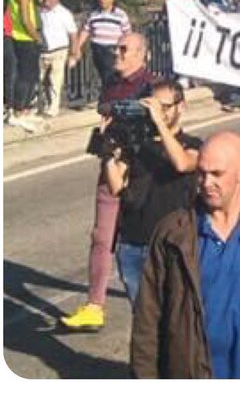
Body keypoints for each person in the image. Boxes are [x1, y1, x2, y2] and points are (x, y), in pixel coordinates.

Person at [131, 131, 240, 378]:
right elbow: (148, 319)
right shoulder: (173, 234)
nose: (206, 182)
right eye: (201, 172)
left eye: (217, 174)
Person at [61, 32, 155, 330]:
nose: (118, 53)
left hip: (141, 172)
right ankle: (94, 306)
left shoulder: (151, 86)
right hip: (110, 164)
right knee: (102, 237)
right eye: (117, 47)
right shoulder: (112, 82)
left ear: (142, 54)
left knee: (143, 242)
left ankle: (154, 308)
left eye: (125, 49)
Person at [103, 78, 201, 303]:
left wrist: (158, 122)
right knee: (143, 322)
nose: (160, 112)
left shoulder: (192, 144)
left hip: (172, 245)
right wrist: (107, 153)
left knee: (175, 319)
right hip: (133, 244)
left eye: (165, 107)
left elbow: (182, 164)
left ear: (181, 106)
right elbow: (117, 186)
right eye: (154, 106)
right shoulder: (138, 144)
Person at [6, 0, 43, 130]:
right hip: (25, 39)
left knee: (28, 75)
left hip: (17, 37)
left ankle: (24, 109)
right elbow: (26, 20)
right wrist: (36, 37)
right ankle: (19, 110)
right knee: (27, 76)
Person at [75, 0, 133, 87]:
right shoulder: (94, 14)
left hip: (112, 48)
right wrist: (78, 47)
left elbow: (127, 33)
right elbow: (86, 30)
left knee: (110, 75)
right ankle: (108, 94)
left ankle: (110, 96)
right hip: (97, 48)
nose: (102, 0)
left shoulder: (120, 14)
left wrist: (127, 49)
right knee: (102, 74)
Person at [37, 0, 79, 118]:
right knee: (38, 80)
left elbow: (73, 33)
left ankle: (53, 108)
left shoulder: (64, 13)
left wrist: (73, 52)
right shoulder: (40, 12)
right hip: (42, 51)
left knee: (55, 80)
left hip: (59, 50)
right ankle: (38, 105)